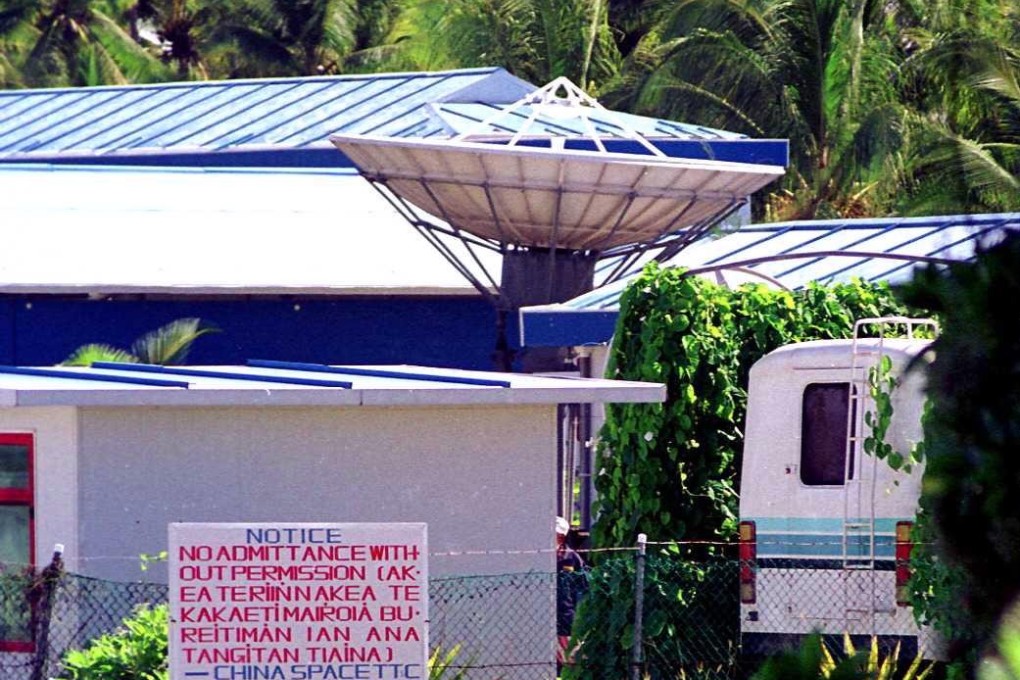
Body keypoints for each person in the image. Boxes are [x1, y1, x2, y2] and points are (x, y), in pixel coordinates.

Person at [555, 516, 588, 671]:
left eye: (559, 535)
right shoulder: (542, 555)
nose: (556, 538)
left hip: (566, 613)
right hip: (543, 612)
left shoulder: (571, 557)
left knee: (570, 654)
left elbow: (583, 584)